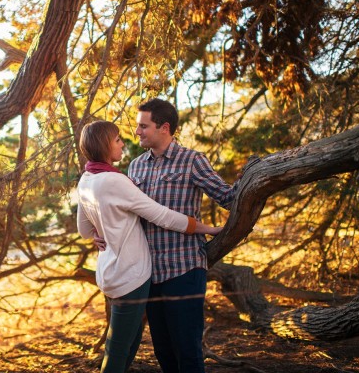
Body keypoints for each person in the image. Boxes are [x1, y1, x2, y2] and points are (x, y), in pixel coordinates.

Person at [76, 120, 223, 373]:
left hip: (110, 272)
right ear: (104, 145)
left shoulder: (87, 178)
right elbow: (161, 215)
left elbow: (84, 230)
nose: (123, 142)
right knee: (119, 350)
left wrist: (101, 232)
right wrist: (207, 228)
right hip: (130, 276)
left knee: (128, 345)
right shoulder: (114, 180)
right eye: (117, 139)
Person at [129, 98, 238, 373]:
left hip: (184, 270)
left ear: (164, 127)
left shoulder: (192, 160)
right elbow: (126, 214)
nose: (137, 131)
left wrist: (259, 180)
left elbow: (228, 197)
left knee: (187, 351)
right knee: (163, 351)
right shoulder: (136, 166)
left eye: (143, 126)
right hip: (149, 275)